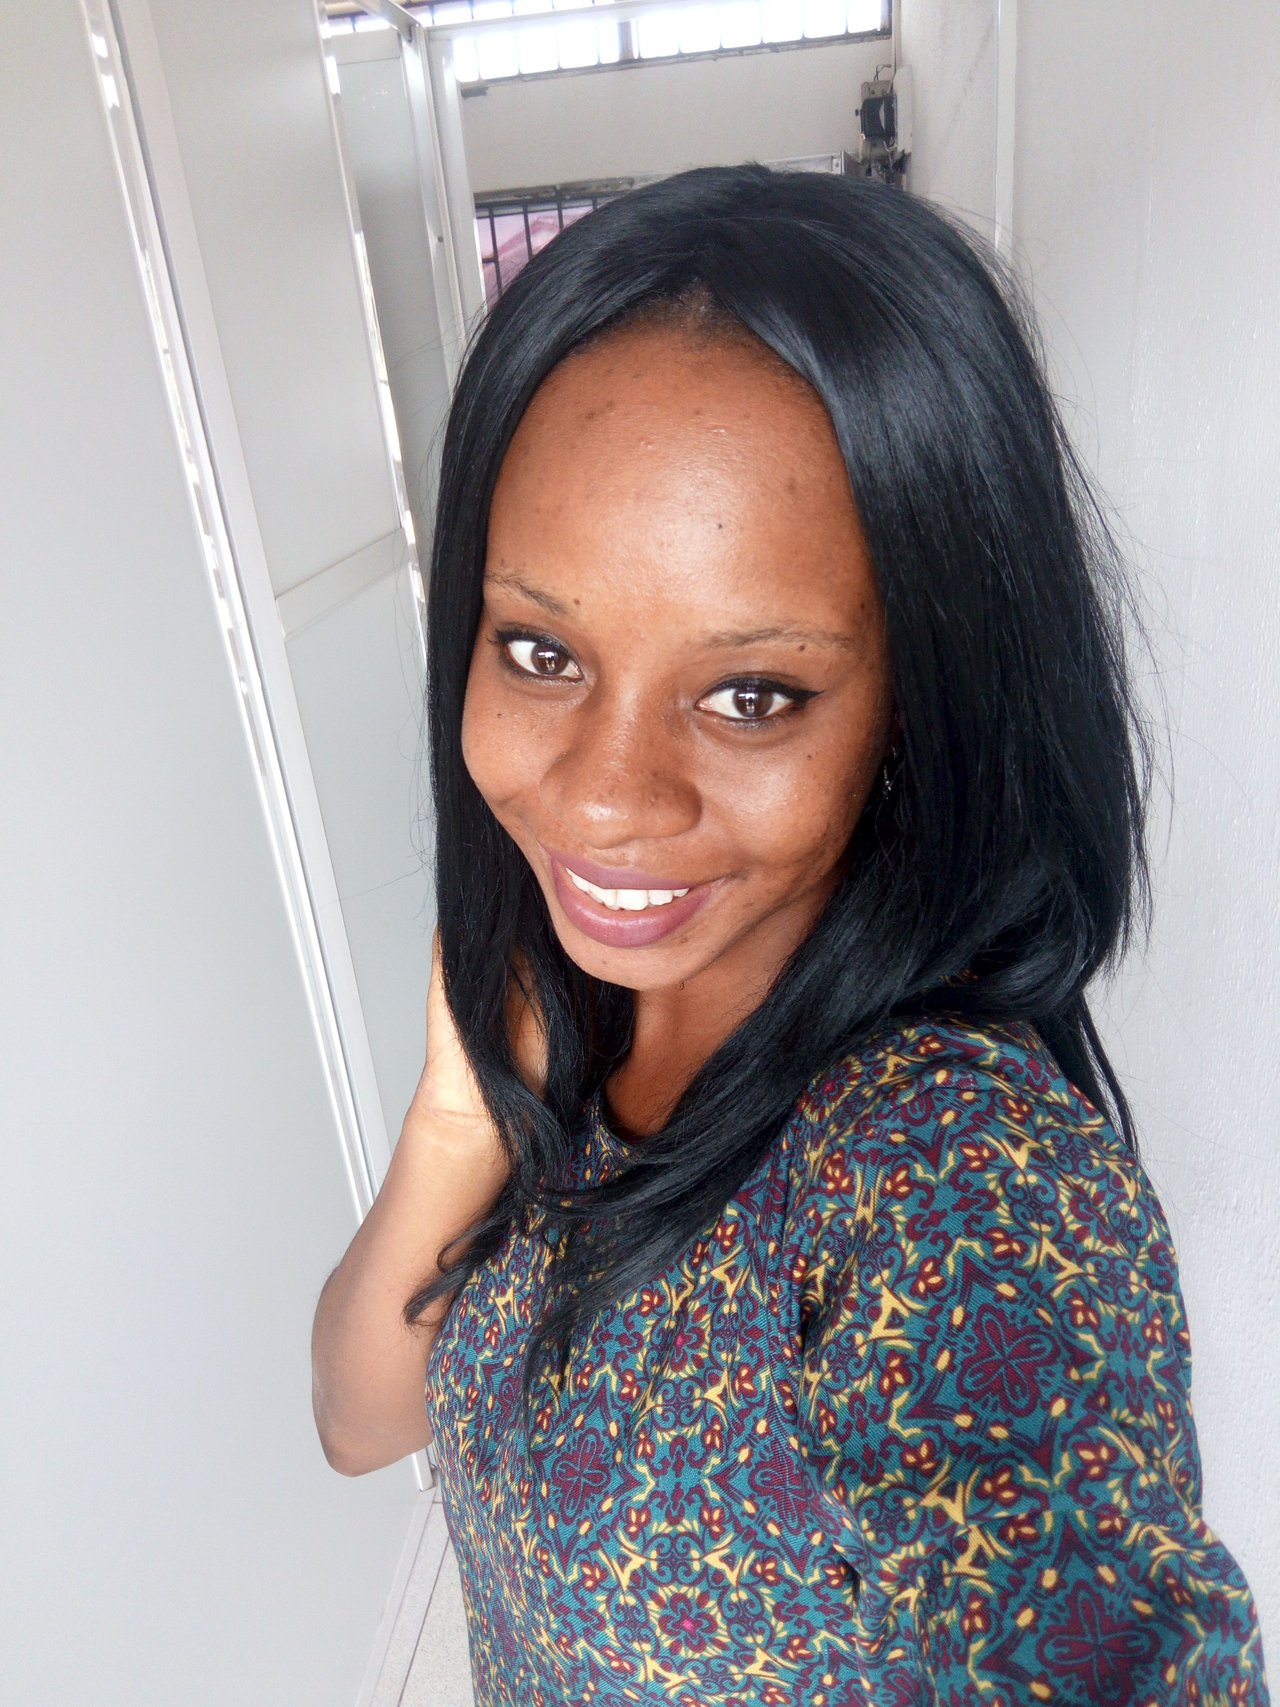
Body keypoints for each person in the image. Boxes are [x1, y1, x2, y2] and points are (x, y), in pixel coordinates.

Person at [311, 164, 1268, 1705]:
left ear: (924, 703)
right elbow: (362, 1423)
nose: (603, 801)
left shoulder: (949, 1177)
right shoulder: (584, 1004)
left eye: (751, 693)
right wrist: (456, 1120)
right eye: (541, 650)